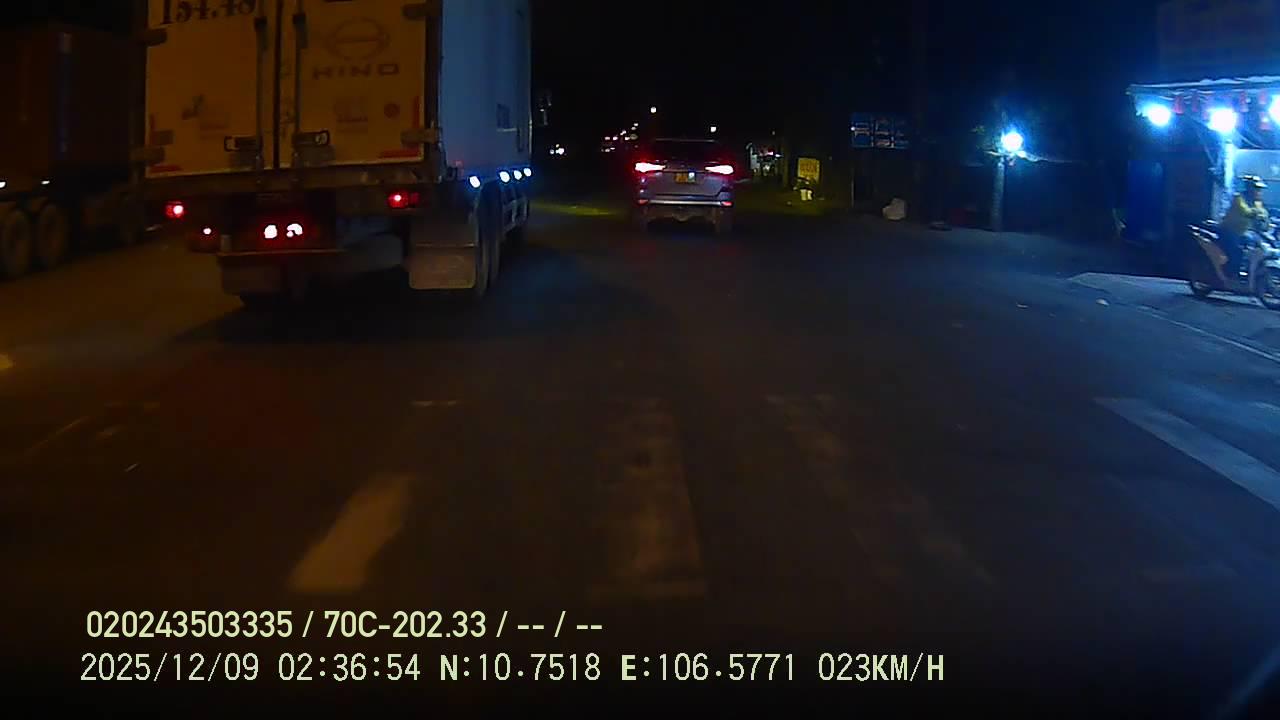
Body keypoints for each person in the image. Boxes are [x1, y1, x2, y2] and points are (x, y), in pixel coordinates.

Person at [1220, 175, 1271, 277]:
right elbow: (1246, 211)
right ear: (1249, 188)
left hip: (1244, 231)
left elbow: (1264, 213)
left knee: (1259, 245)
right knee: (1236, 250)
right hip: (1230, 230)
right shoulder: (1239, 198)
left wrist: (1265, 219)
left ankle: (1251, 270)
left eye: (1260, 189)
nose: (1259, 191)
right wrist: (1257, 213)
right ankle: (1231, 273)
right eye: (1256, 188)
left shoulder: (1256, 202)